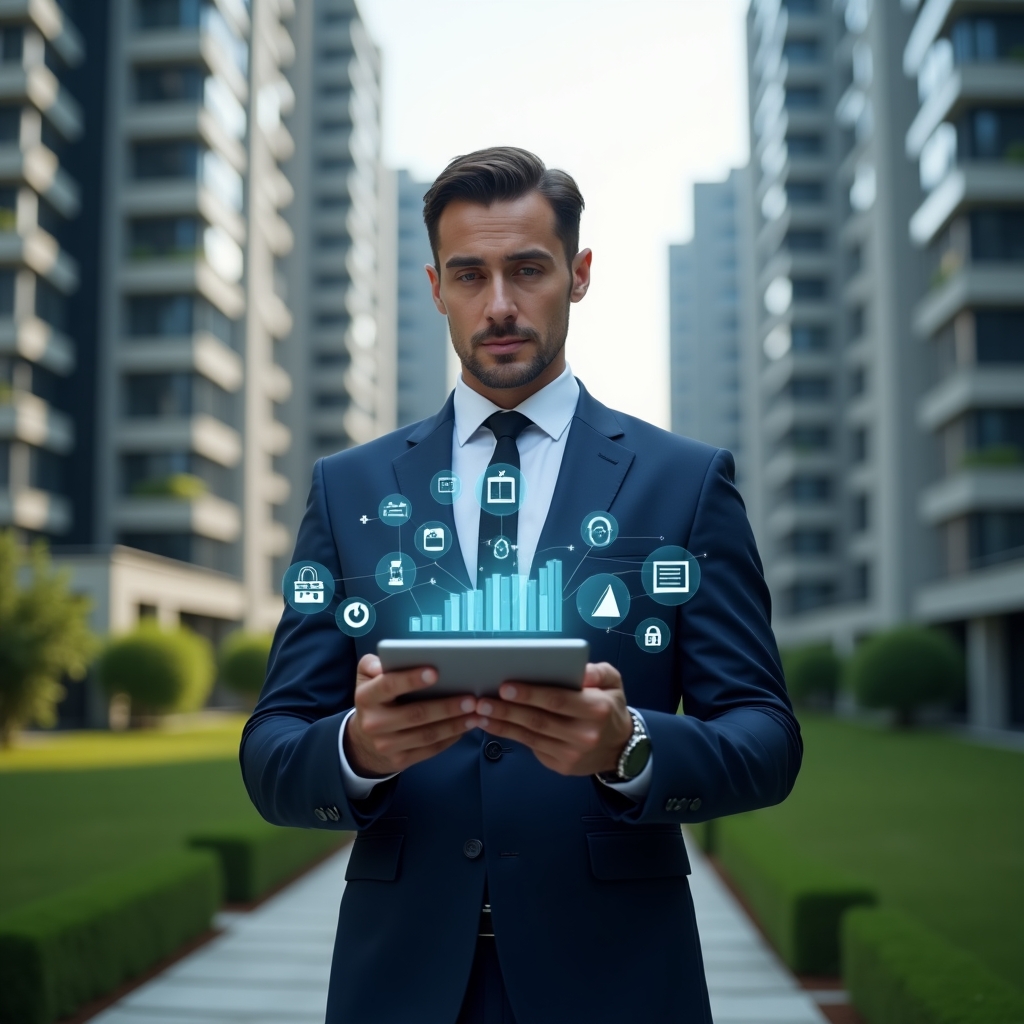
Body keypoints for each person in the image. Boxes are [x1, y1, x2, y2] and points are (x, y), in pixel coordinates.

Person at [241, 147, 802, 1024]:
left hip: (617, 982)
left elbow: (766, 739)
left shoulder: (685, 484)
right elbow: (272, 746)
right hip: (400, 985)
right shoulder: (346, 490)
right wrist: (357, 748)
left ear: (577, 275)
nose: (498, 304)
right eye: (469, 274)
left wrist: (632, 748)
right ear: (434, 287)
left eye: (527, 270)